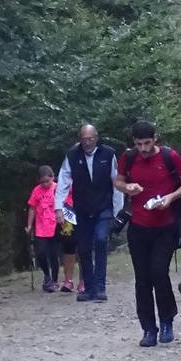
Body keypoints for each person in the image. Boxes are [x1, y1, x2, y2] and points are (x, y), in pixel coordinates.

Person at [115, 120, 181, 347]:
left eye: (147, 143)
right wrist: (127, 188)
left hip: (165, 225)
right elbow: (118, 181)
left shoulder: (170, 157)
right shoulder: (128, 158)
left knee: (159, 272)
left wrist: (170, 198)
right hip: (139, 225)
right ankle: (148, 328)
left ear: (155, 139)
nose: (143, 148)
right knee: (142, 278)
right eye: (139, 144)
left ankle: (167, 319)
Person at [58, 124, 117, 303]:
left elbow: (118, 181)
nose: (88, 142)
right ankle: (88, 288)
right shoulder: (72, 155)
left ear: (96, 138)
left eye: (91, 139)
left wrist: (118, 209)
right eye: (84, 139)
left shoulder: (108, 154)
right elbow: (62, 181)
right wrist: (58, 208)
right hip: (82, 208)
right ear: (80, 139)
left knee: (100, 240)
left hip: (104, 207)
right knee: (83, 247)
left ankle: (100, 287)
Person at [25, 166, 62, 293]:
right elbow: (32, 208)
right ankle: (47, 275)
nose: (45, 184)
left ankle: (55, 280)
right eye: (42, 182)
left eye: (47, 181)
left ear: (52, 177)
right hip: (41, 227)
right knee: (41, 253)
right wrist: (29, 225)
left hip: (55, 226)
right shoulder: (37, 191)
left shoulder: (58, 188)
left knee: (53, 254)